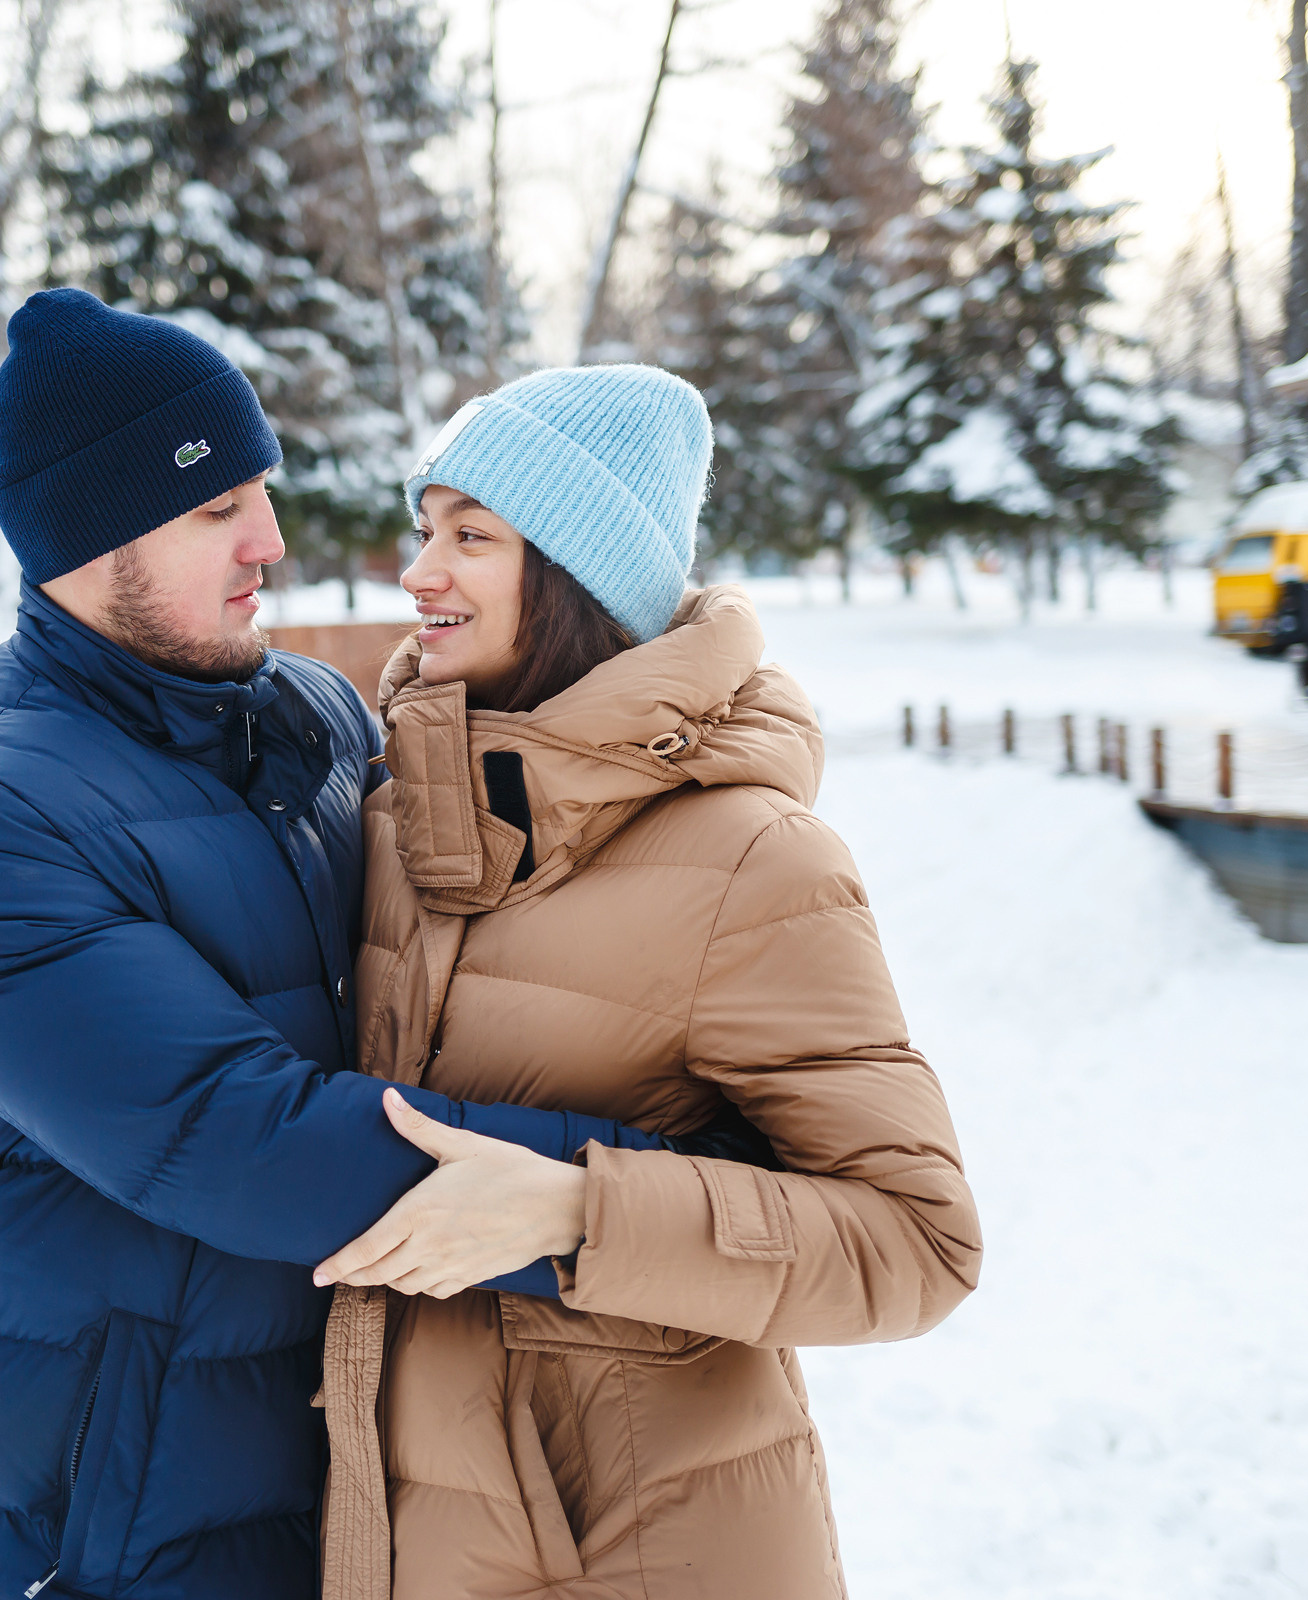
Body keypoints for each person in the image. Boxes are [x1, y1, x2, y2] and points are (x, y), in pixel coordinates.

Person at [0, 292, 679, 1600]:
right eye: (216, 508)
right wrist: (657, 1189)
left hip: (358, 1487)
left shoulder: (309, 716)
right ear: (88, 533)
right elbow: (243, 1138)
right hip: (122, 1535)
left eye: (263, 491)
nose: (271, 541)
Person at [307, 365, 984, 1600]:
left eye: (470, 537)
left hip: (648, 1549)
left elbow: (916, 1241)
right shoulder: (398, 817)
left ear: (577, 576)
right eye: (425, 530)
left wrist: (579, 1213)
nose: (419, 573)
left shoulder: (752, 857)